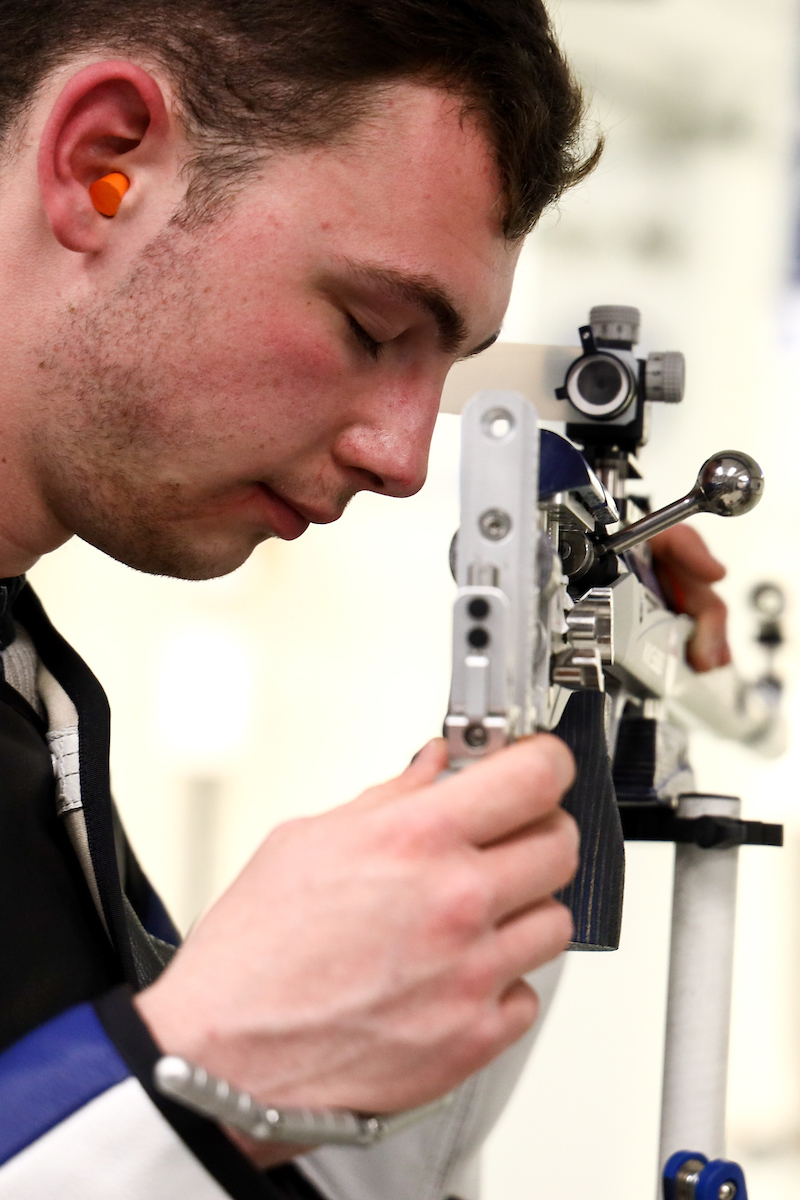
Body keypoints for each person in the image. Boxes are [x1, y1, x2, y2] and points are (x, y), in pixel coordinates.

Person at [0, 2, 731, 1197]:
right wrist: (208, 1060)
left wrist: (557, 694)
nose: (402, 457)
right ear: (104, 164)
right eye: (371, 325)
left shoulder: (26, 691)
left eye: (445, 368)